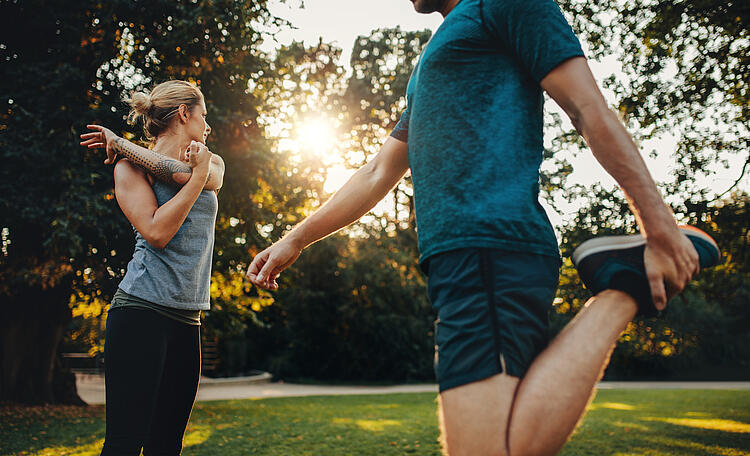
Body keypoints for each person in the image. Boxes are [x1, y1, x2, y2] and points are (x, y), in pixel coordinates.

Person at [246, 0, 720, 455]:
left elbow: (586, 107)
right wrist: (295, 239)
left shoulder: (506, 3)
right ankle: (622, 282)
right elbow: (378, 172)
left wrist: (660, 228)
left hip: (489, 248)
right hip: (460, 259)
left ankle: (622, 288)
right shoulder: (440, 52)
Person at [79, 80, 225, 455]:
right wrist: (194, 179)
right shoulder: (128, 169)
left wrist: (123, 142)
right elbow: (158, 232)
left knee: (167, 444)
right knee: (125, 443)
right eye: (203, 116)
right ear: (183, 113)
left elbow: (185, 175)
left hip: (187, 319)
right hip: (141, 310)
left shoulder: (212, 162)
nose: (208, 127)